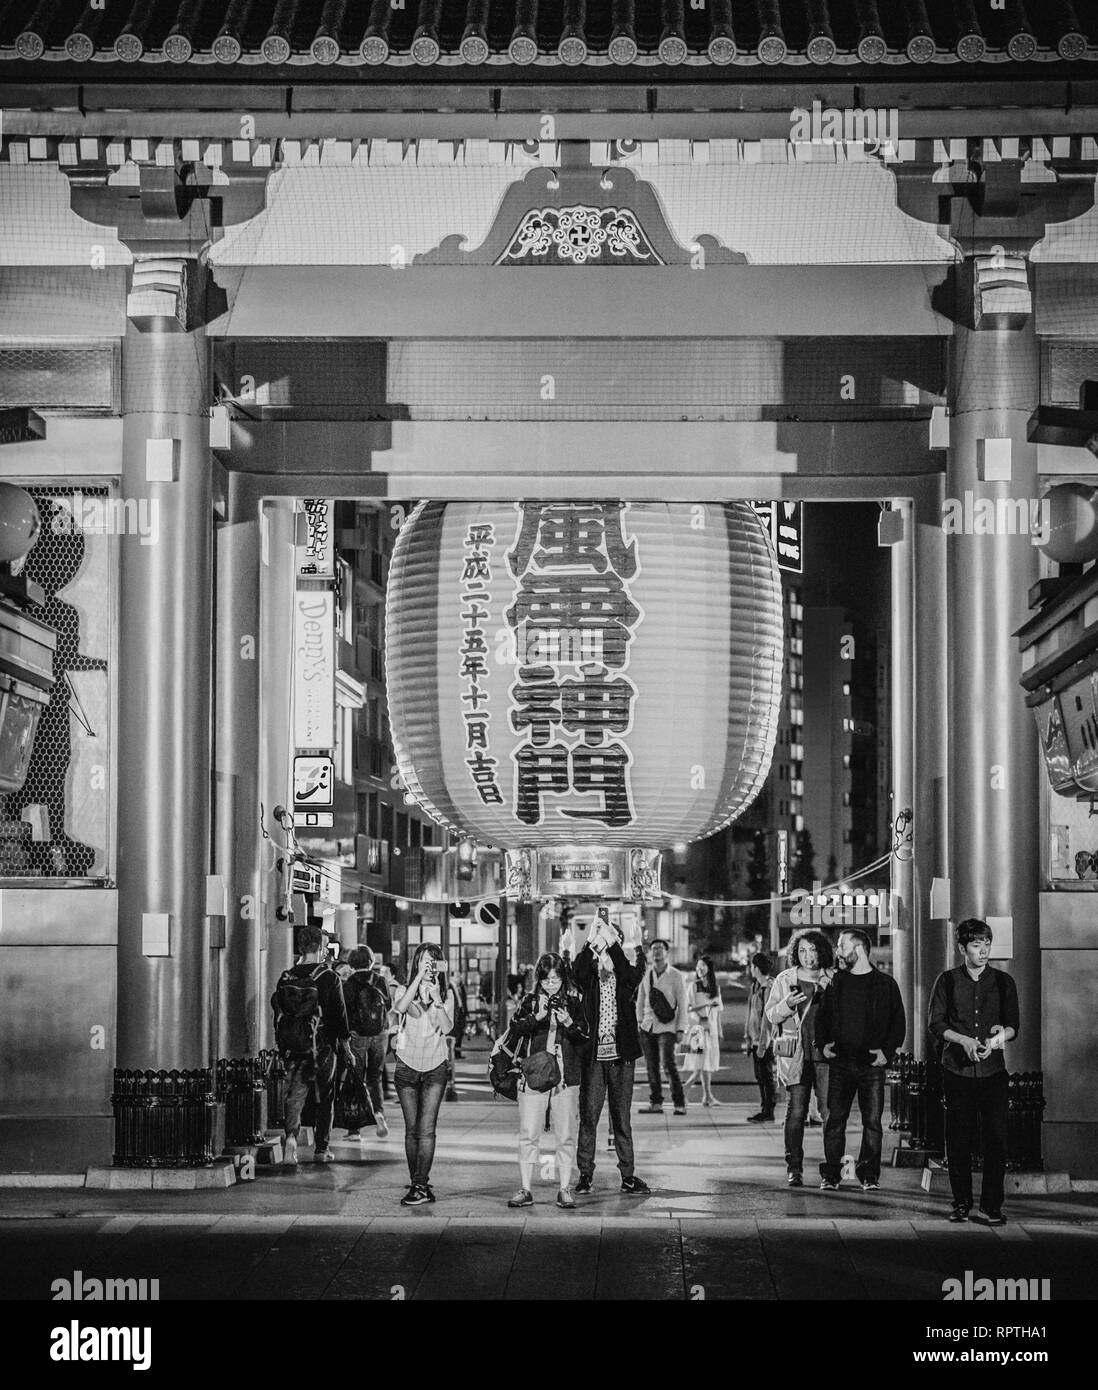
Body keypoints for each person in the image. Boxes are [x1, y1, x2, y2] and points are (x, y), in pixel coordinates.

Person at [928, 918, 1020, 1226]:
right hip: (957, 1070)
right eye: (976, 945)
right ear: (962, 948)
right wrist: (964, 1040)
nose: (983, 951)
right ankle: (961, 1203)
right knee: (958, 1140)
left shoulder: (1004, 982)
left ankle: (990, 1206)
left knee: (997, 1139)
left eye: (987, 945)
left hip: (993, 1071)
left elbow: (1012, 1026)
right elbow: (937, 1024)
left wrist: (996, 1038)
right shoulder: (948, 981)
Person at [816, 929, 906, 1192]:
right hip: (841, 1062)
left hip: (871, 1066)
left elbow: (898, 1023)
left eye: (842, 946)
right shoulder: (836, 983)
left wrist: (887, 1053)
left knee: (873, 1122)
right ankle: (832, 1174)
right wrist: (822, 1046)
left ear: (858, 949)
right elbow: (821, 1018)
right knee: (835, 1120)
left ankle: (869, 1174)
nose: (838, 951)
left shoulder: (885, 984)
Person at [573, 917, 651, 1195]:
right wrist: (592, 943)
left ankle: (628, 1176)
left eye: (611, 937)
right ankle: (584, 1175)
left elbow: (636, 973)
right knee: (589, 1117)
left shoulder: (624, 974)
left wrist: (619, 944)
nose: (606, 940)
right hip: (594, 1058)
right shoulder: (590, 972)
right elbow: (576, 973)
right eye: (603, 936)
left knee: (621, 1118)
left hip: (621, 1057)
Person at [506, 953, 590, 1210]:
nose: (551, 984)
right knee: (528, 1133)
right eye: (546, 979)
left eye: (555, 979)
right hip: (534, 1077)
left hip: (567, 1078)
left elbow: (585, 1037)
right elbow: (514, 1029)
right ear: (539, 980)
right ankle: (525, 1188)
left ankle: (564, 1188)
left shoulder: (574, 1002)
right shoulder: (530, 1001)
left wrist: (568, 1022)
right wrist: (538, 1016)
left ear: (563, 979)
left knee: (565, 1134)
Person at [271, 924, 353, 1166]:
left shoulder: (287, 976)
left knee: (295, 1095)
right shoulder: (328, 977)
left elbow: (278, 1010)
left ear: (300, 947)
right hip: (323, 1044)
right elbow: (339, 1016)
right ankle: (321, 1149)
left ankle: (291, 1142)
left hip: (294, 1044)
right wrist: (346, 1046)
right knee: (325, 1097)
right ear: (321, 947)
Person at [765, 929, 835, 1187]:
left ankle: (831, 1172)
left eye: (813, 950)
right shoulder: (785, 979)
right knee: (796, 1112)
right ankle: (794, 1168)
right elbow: (771, 1015)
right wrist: (786, 1004)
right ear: (796, 952)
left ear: (822, 951)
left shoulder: (833, 977)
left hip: (826, 1055)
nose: (808, 956)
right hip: (795, 1054)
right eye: (803, 950)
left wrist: (830, 991)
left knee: (829, 1113)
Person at [391, 943, 455, 1206]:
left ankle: (419, 1185)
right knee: (411, 1130)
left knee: (426, 1130)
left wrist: (438, 999)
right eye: (424, 961)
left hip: (435, 1067)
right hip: (407, 1066)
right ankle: (418, 1182)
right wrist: (418, 978)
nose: (429, 967)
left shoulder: (447, 993)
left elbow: (447, 1027)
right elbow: (402, 1008)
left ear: (440, 965)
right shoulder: (404, 989)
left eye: (433, 962)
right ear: (416, 963)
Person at [340, 946, 391, 1140]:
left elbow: (344, 1012)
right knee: (375, 1076)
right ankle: (379, 1113)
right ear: (371, 962)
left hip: (358, 1035)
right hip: (380, 1033)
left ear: (352, 963)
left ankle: (354, 1129)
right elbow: (389, 1005)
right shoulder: (380, 981)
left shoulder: (349, 984)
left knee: (356, 1078)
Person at [636, 939, 689, 1115]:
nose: (656, 951)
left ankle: (679, 1103)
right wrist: (639, 1021)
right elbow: (640, 999)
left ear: (667, 952)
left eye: (660, 948)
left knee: (668, 1064)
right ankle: (656, 1102)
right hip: (647, 1026)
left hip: (668, 1026)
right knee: (651, 1066)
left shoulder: (676, 975)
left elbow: (683, 1003)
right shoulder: (647, 974)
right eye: (653, 949)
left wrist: (681, 1028)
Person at [684, 955, 724, 1105]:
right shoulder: (693, 986)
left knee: (706, 1064)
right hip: (696, 1031)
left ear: (709, 968)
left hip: (711, 1029)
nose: (699, 969)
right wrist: (704, 1007)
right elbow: (687, 1008)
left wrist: (719, 1031)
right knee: (700, 1064)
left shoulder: (716, 988)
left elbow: (718, 1012)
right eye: (698, 966)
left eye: (703, 966)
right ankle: (686, 1090)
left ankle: (707, 1097)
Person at [745, 952, 776, 1123]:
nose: (751, 969)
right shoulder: (756, 986)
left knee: (766, 1076)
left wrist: (763, 1044)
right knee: (760, 1076)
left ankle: (768, 1110)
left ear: (756, 968)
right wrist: (748, 1038)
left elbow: (767, 1019)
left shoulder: (769, 988)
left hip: (765, 1041)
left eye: (752, 966)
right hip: (755, 1040)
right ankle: (764, 1108)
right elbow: (750, 1013)